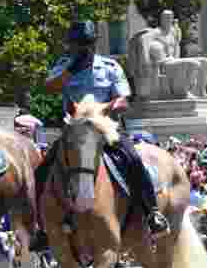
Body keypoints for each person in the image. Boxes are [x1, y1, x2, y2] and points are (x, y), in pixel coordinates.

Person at [41, 20, 170, 238]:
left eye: (88, 43)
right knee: (43, 168)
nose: (84, 48)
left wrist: (104, 108)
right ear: (70, 45)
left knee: (134, 160)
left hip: (106, 129)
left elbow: (123, 100)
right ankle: (42, 228)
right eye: (78, 44)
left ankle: (152, 213)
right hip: (75, 130)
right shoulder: (64, 65)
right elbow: (49, 87)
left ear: (94, 44)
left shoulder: (110, 66)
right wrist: (71, 69)